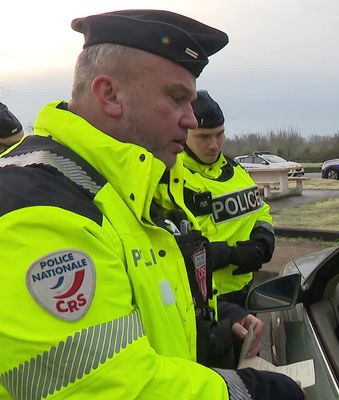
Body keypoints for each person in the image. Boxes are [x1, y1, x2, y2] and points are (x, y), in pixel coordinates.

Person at [0, 9, 303, 400]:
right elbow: (99, 385)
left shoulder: (140, 185)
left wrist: (214, 326)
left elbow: (153, 308)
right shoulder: (37, 208)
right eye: (176, 98)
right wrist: (247, 392)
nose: (191, 120)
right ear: (109, 94)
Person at [180, 90, 275, 311]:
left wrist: (262, 242)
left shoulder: (236, 170)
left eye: (220, 134)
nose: (214, 144)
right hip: (204, 301)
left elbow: (261, 211)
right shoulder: (172, 177)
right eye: (204, 137)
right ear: (184, 133)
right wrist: (229, 255)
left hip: (246, 291)